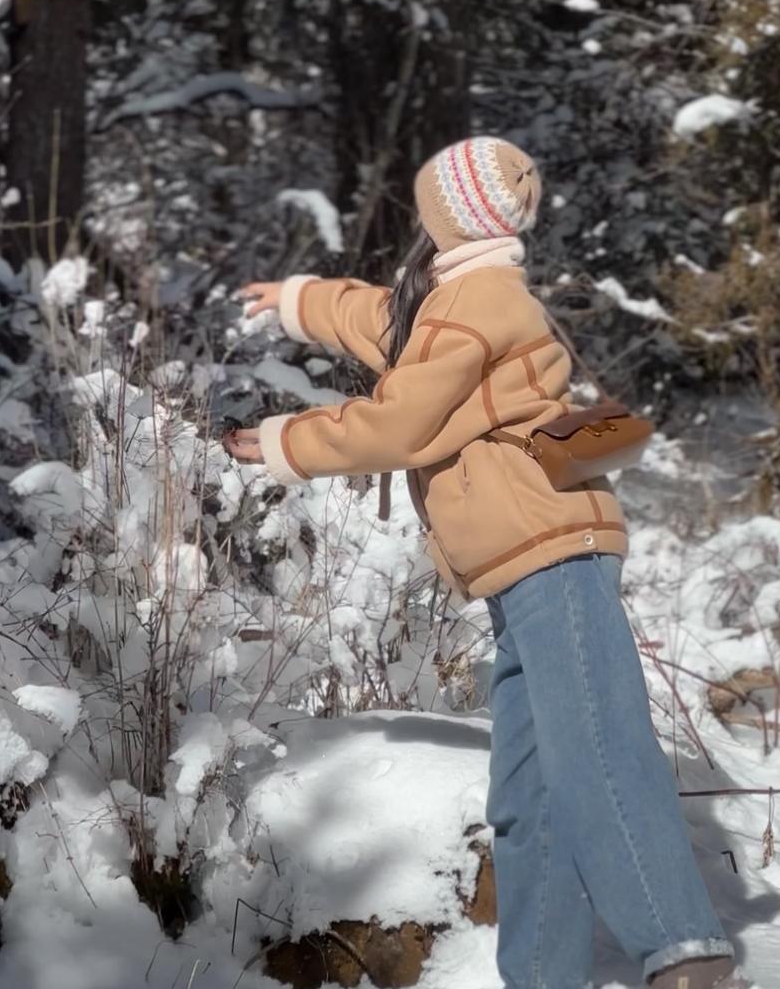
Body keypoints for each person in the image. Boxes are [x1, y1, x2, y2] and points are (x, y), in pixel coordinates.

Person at [225, 136, 749, 989]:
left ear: (443, 214)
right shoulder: (457, 298)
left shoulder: (478, 304)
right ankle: (543, 975)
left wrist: (286, 441)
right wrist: (299, 299)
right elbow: (381, 323)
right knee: (528, 797)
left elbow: (397, 424)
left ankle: (684, 951)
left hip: (555, 556)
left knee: (599, 753)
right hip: (525, 565)